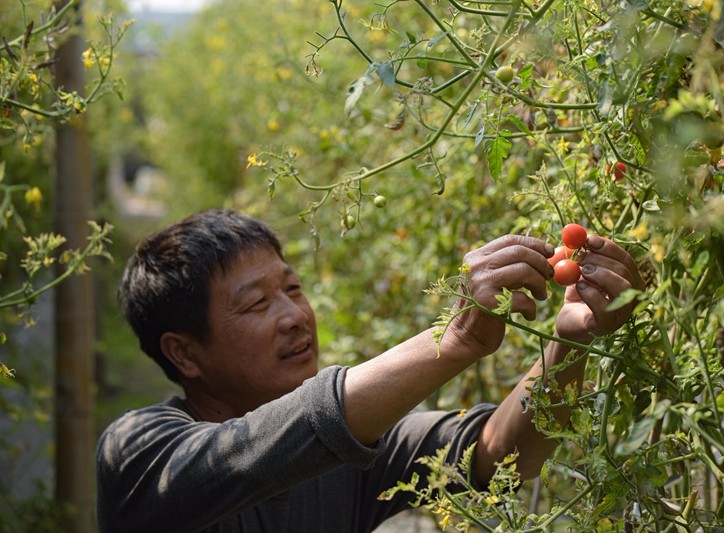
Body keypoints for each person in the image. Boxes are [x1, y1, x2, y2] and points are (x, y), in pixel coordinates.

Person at [96, 208, 644, 532]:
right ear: (185, 354)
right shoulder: (139, 454)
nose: (293, 316)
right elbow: (255, 448)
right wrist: (452, 340)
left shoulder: (351, 455)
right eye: (256, 304)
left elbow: (499, 454)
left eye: (292, 288)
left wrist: (570, 342)